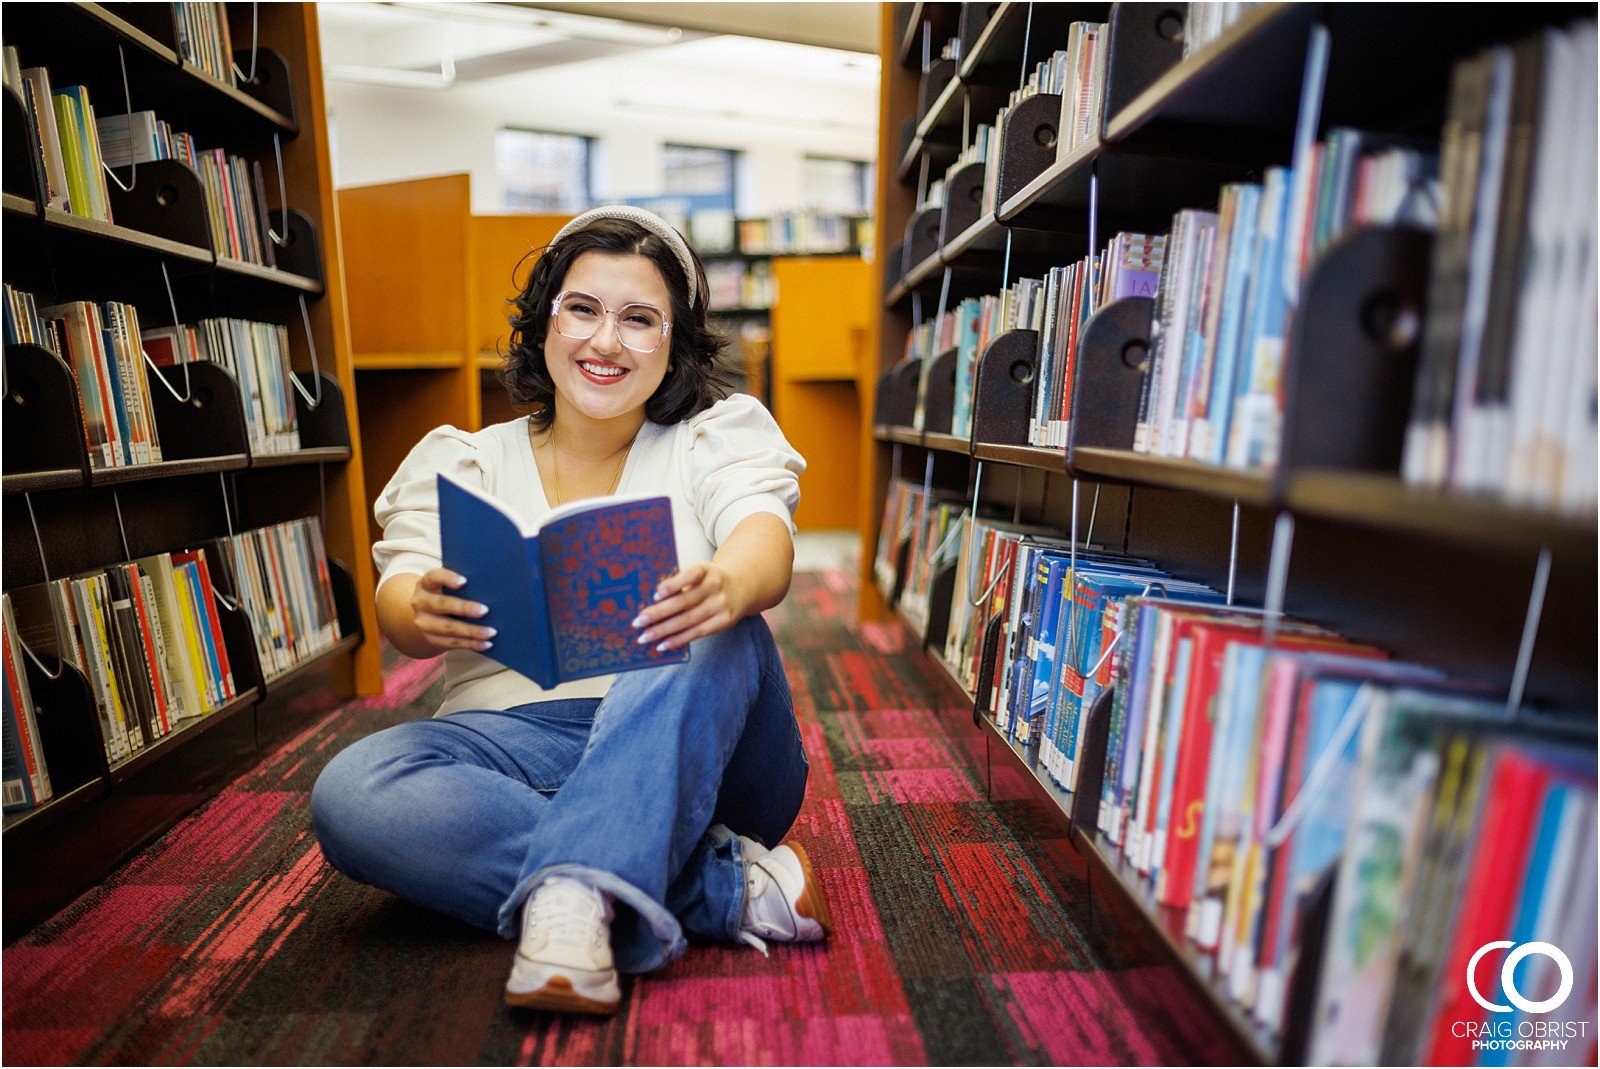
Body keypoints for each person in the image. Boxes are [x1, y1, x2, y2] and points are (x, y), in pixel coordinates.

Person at [310, 205, 828, 1016]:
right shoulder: (463, 460)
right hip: (507, 744)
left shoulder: (711, 440)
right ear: (543, 323)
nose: (605, 341)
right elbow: (396, 604)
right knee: (353, 790)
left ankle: (571, 901)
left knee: (711, 622)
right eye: (582, 309)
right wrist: (421, 604)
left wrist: (728, 582)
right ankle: (709, 883)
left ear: (675, 344)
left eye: (640, 320)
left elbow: (765, 538)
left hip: (695, 732)